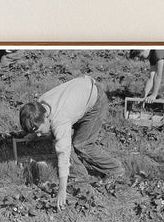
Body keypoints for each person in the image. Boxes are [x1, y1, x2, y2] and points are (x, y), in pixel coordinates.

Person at [19, 75, 124, 211]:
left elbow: (63, 153)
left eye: (38, 130)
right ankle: (80, 175)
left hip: (95, 100)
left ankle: (115, 169)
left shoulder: (59, 120)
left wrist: (62, 189)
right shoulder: (39, 105)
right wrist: (32, 134)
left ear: (46, 116)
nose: (38, 135)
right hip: (82, 93)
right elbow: (40, 123)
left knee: (82, 144)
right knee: (55, 136)